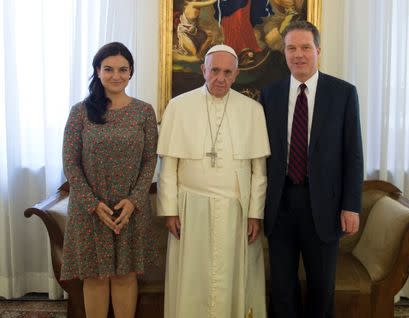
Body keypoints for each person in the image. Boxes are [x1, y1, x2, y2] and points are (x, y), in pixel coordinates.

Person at [157, 44, 270, 318]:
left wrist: (255, 214)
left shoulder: (252, 110)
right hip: (190, 209)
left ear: (236, 74)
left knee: (233, 277)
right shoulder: (178, 106)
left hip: (236, 210)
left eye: (228, 72)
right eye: (215, 70)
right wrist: (169, 210)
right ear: (203, 70)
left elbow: (259, 171)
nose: (221, 78)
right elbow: (168, 165)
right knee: (192, 278)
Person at [260, 21, 363, 318]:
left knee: (321, 288)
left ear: (318, 50)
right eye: (291, 48)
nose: (298, 54)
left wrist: (351, 205)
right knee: (281, 288)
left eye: (306, 47)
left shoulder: (343, 94)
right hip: (280, 206)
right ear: (284, 52)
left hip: (325, 206)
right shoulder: (270, 95)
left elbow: (353, 155)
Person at [60, 42, 158, 318]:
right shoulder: (80, 112)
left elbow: (150, 159)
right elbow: (70, 163)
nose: (116, 75)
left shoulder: (144, 112)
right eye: (109, 69)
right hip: (90, 210)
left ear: (131, 73)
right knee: (95, 277)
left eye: (123, 69)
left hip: (129, 209)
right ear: (97, 71)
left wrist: (134, 200)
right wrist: (93, 204)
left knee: (126, 275)